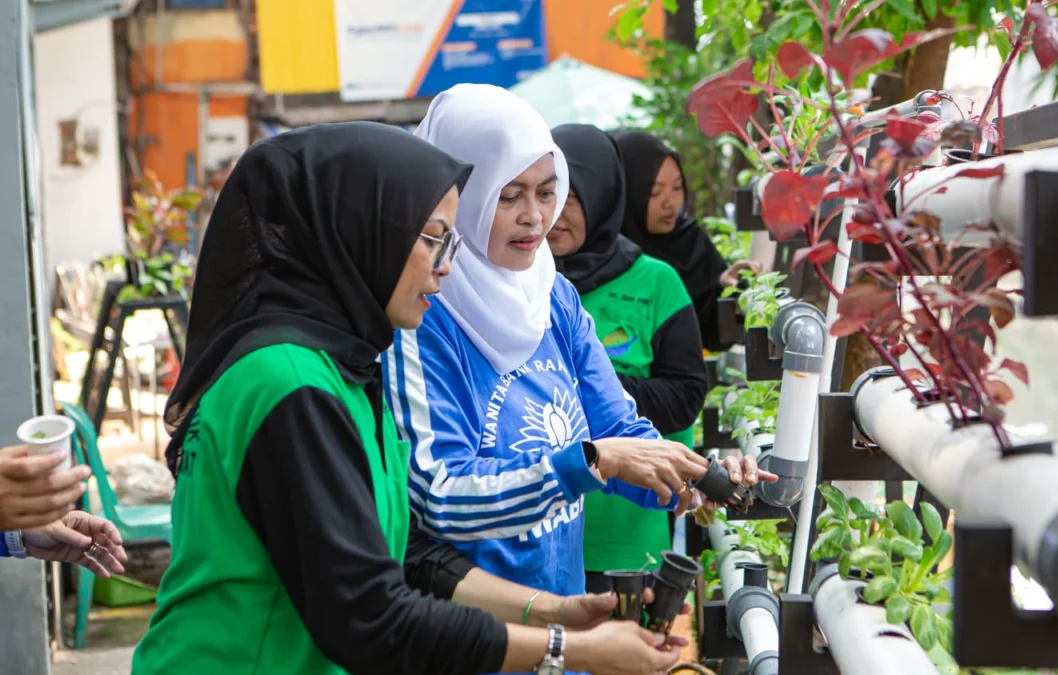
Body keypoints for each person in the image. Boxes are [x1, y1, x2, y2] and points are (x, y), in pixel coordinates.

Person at [134, 121, 683, 675]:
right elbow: (370, 614)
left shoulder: (339, 366)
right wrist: (568, 650)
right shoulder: (288, 384)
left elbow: (412, 554)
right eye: (432, 237)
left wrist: (553, 612)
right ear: (360, 232)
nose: (446, 263)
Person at [384, 84, 771, 611]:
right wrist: (591, 462)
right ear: (460, 196)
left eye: (547, 192)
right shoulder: (422, 313)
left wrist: (702, 476)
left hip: (562, 616)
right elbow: (440, 497)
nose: (534, 217)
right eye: (509, 194)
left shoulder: (552, 295)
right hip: (473, 632)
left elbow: (618, 429)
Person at [545, 124, 708, 593]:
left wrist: (580, 389)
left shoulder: (657, 283)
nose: (554, 212)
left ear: (603, 194)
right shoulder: (513, 285)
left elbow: (684, 396)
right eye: (544, 193)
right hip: (536, 537)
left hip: (625, 542)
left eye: (571, 195)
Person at [610, 130, 763, 352]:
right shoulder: (604, 254)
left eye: (677, 187)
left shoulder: (691, 242)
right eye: (655, 192)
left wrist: (722, 288)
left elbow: (714, 338)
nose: (670, 203)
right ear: (626, 191)